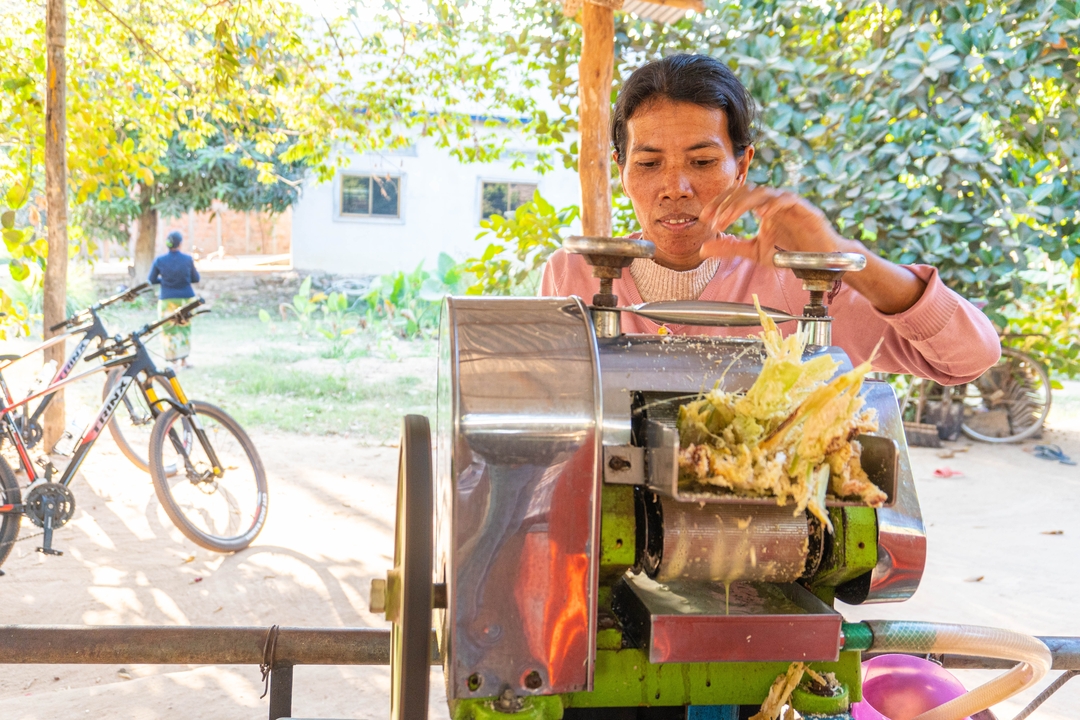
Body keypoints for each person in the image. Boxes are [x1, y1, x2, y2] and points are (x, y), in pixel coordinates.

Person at [541, 54, 1000, 384]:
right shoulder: (573, 274)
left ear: (741, 167)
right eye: (648, 164)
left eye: (702, 163)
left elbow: (968, 357)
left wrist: (842, 254)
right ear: (621, 169)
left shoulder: (804, 282)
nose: (675, 187)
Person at [149, 230, 200, 368]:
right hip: (186, 299)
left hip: (167, 299)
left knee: (168, 329)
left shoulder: (160, 261)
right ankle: (184, 361)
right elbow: (196, 278)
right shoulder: (188, 259)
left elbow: (151, 279)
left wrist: (165, 281)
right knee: (184, 329)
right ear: (180, 244)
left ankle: (173, 361)